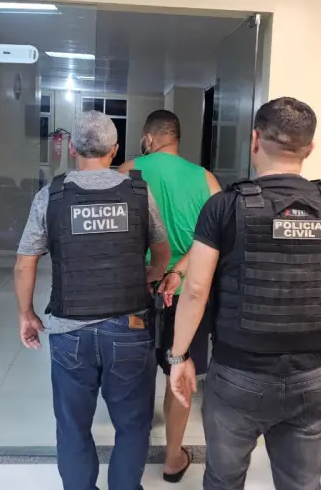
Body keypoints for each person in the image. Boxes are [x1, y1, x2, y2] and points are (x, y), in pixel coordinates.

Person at [168, 97, 321, 490]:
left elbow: (196, 289)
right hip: (313, 375)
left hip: (239, 373)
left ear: (254, 139)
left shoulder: (225, 206)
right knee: (302, 483)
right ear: (309, 147)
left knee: (224, 480)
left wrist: (180, 356)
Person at [15, 110, 172, 490]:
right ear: (115, 150)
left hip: (69, 330)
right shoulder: (138, 192)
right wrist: (148, 276)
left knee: (72, 426)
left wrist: (26, 314)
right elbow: (162, 251)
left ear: (72, 148)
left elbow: (24, 263)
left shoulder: (51, 196)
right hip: (129, 328)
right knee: (133, 425)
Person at [118, 109, 221, 483]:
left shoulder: (129, 170)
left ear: (148, 138)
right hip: (188, 293)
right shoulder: (205, 178)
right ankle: (173, 458)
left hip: (138, 288)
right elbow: (217, 237)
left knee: (134, 371)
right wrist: (179, 269)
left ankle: (132, 452)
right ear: (177, 138)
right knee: (180, 371)